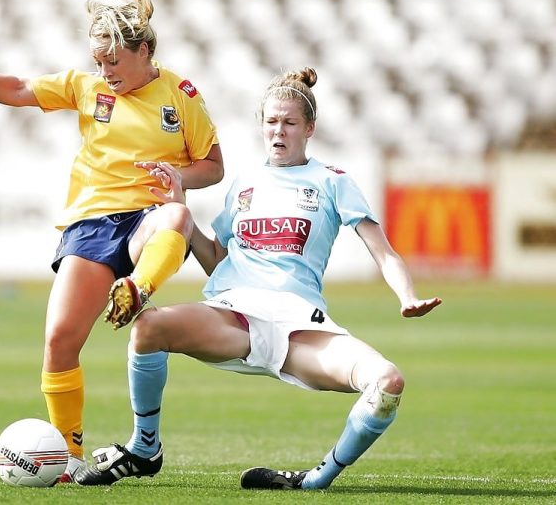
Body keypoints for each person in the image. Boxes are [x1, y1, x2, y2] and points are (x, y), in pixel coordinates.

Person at [75, 67, 442, 489]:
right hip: (235, 317)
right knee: (148, 327)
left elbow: (385, 252)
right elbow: (217, 260)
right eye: (270, 122)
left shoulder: (332, 181)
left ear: (309, 129)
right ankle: (144, 448)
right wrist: (184, 215)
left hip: (300, 327)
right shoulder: (245, 184)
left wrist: (407, 295)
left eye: (289, 123)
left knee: (388, 382)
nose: (278, 131)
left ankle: (315, 481)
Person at [0, 0, 224, 482]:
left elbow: (213, 166)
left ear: (145, 51)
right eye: (99, 61)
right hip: (93, 226)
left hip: (147, 218)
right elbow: (20, 88)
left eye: (115, 60)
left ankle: (136, 290)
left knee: (178, 219)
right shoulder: (87, 88)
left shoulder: (181, 94)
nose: (106, 71)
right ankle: (66, 458)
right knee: (60, 340)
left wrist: (179, 178)